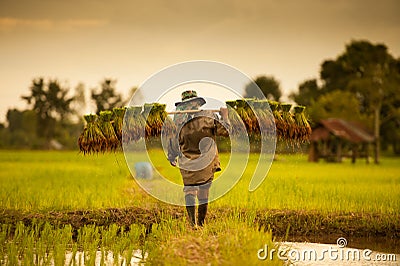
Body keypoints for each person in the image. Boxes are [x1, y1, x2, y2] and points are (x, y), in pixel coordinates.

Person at [168, 90, 229, 227]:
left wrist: (171, 155)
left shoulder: (179, 119)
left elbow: (173, 140)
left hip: (194, 160)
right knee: (201, 191)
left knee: (194, 190)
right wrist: (225, 117)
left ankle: (195, 224)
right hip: (200, 160)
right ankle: (197, 224)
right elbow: (225, 131)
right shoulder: (207, 116)